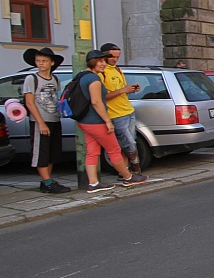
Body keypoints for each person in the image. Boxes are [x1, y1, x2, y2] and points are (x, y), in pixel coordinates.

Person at [76, 50, 148, 193]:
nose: (104, 64)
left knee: (92, 152)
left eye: (104, 61)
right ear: (92, 62)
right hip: (96, 121)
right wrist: (107, 121)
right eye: (101, 61)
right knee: (114, 149)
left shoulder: (81, 76)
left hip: (84, 121)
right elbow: (97, 102)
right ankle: (128, 177)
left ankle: (93, 183)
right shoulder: (94, 79)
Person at [21, 47, 71, 194]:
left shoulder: (56, 79)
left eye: (44, 61)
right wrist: (41, 122)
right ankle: (48, 182)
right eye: (38, 61)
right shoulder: (32, 79)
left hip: (54, 118)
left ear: (51, 63)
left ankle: (46, 181)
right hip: (40, 121)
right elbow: (30, 102)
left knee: (52, 153)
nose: (41, 63)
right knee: (41, 153)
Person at [99, 43, 142, 174]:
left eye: (117, 57)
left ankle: (125, 172)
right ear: (104, 55)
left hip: (127, 110)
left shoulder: (117, 69)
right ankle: (135, 164)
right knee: (128, 143)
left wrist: (130, 89)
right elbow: (102, 96)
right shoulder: (101, 72)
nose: (115, 59)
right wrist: (123, 90)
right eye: (112, 56)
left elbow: (120, 90)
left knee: (129, 142)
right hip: (115, 114)